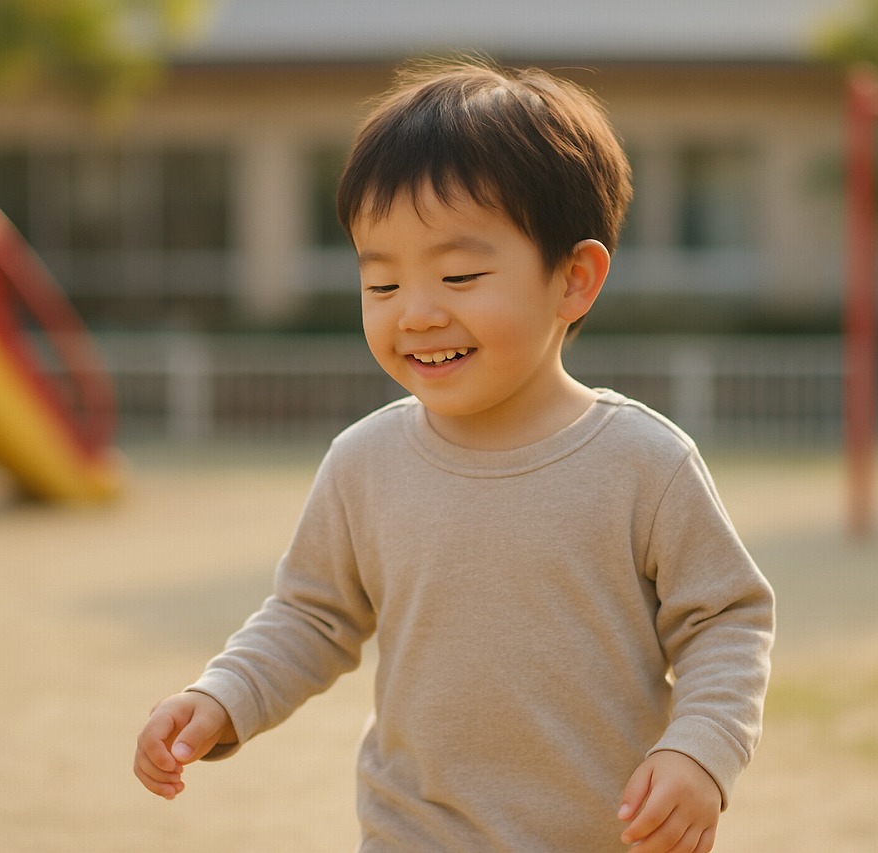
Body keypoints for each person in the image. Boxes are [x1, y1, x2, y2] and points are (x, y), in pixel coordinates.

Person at [134, 56, 774, 853]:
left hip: (606, 836)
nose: (419, 313)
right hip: (415, 833)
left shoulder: (644, 463)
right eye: (383, 286)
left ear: (573, 280)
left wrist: (699, 750)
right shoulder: (365, 462)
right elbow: (311, 613)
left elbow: (726, 621)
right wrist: (223, 695)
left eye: (460, 274)